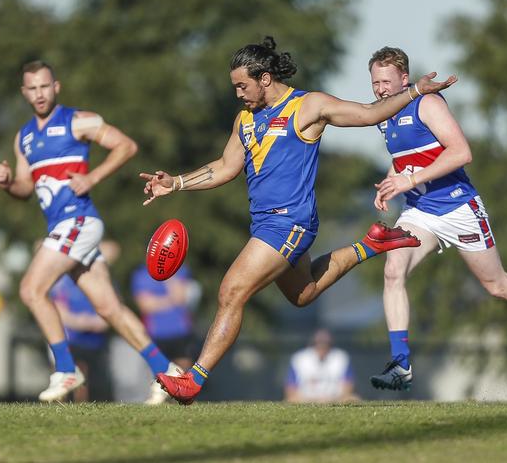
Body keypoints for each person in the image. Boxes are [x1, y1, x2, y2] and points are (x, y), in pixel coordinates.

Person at [140, 36, 457, 404]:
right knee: (303, 294)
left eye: (242, 85)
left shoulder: (308, 106)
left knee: (231, 291)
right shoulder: (245, 120)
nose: (238, 93)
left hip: (290, 222)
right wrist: (176, 183)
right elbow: (226, 167)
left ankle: (193, 380)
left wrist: (416, 90)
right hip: (264, 224)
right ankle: (371, 245)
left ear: (264, 78)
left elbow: (369, 113)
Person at [367, 46, 507, 391]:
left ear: (405, 78)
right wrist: (391, 183)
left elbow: (462, 152)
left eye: (386, 82)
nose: (381, 89)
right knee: (392, 271)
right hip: (419, 212)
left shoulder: (427, 104)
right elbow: (406, 158)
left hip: (459, 208)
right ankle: (401, 364)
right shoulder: (383, 115)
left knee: (498, 286)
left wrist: (409, 180)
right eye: (375, 83)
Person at [0, 60, 178, 403]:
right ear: (24, 92)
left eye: (45, 86)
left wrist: (92, 178)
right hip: (64, 226)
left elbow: (126, 146)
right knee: (109, 309)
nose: (39, 94)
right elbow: (23, 187)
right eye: (32, 88)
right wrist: (7, 184)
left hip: (78, 221)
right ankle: (168, 372)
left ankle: (65, 369)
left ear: (56, 87)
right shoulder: (25, 137)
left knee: (31, 289)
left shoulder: (79, 120)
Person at [132, 264, 199, 371]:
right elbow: (145, 306)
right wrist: (170, 299)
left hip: (181, 332)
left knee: (184, 375)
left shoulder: (181, 270)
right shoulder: (142, 274)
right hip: (156, 334)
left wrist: (168, 275)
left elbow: (181, 297)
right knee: (160, 377)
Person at [284, 329, 359, 403]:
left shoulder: (341, 357)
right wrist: (315, 400)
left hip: (335, 399)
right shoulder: (299, 358)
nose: (322, 346)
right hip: (305, 400)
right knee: (291, 400)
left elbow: (348, 387)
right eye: (319, 343)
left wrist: (329, 400)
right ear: (313, 344)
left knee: (353, 399)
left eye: (326, 343)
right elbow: (291, 389)